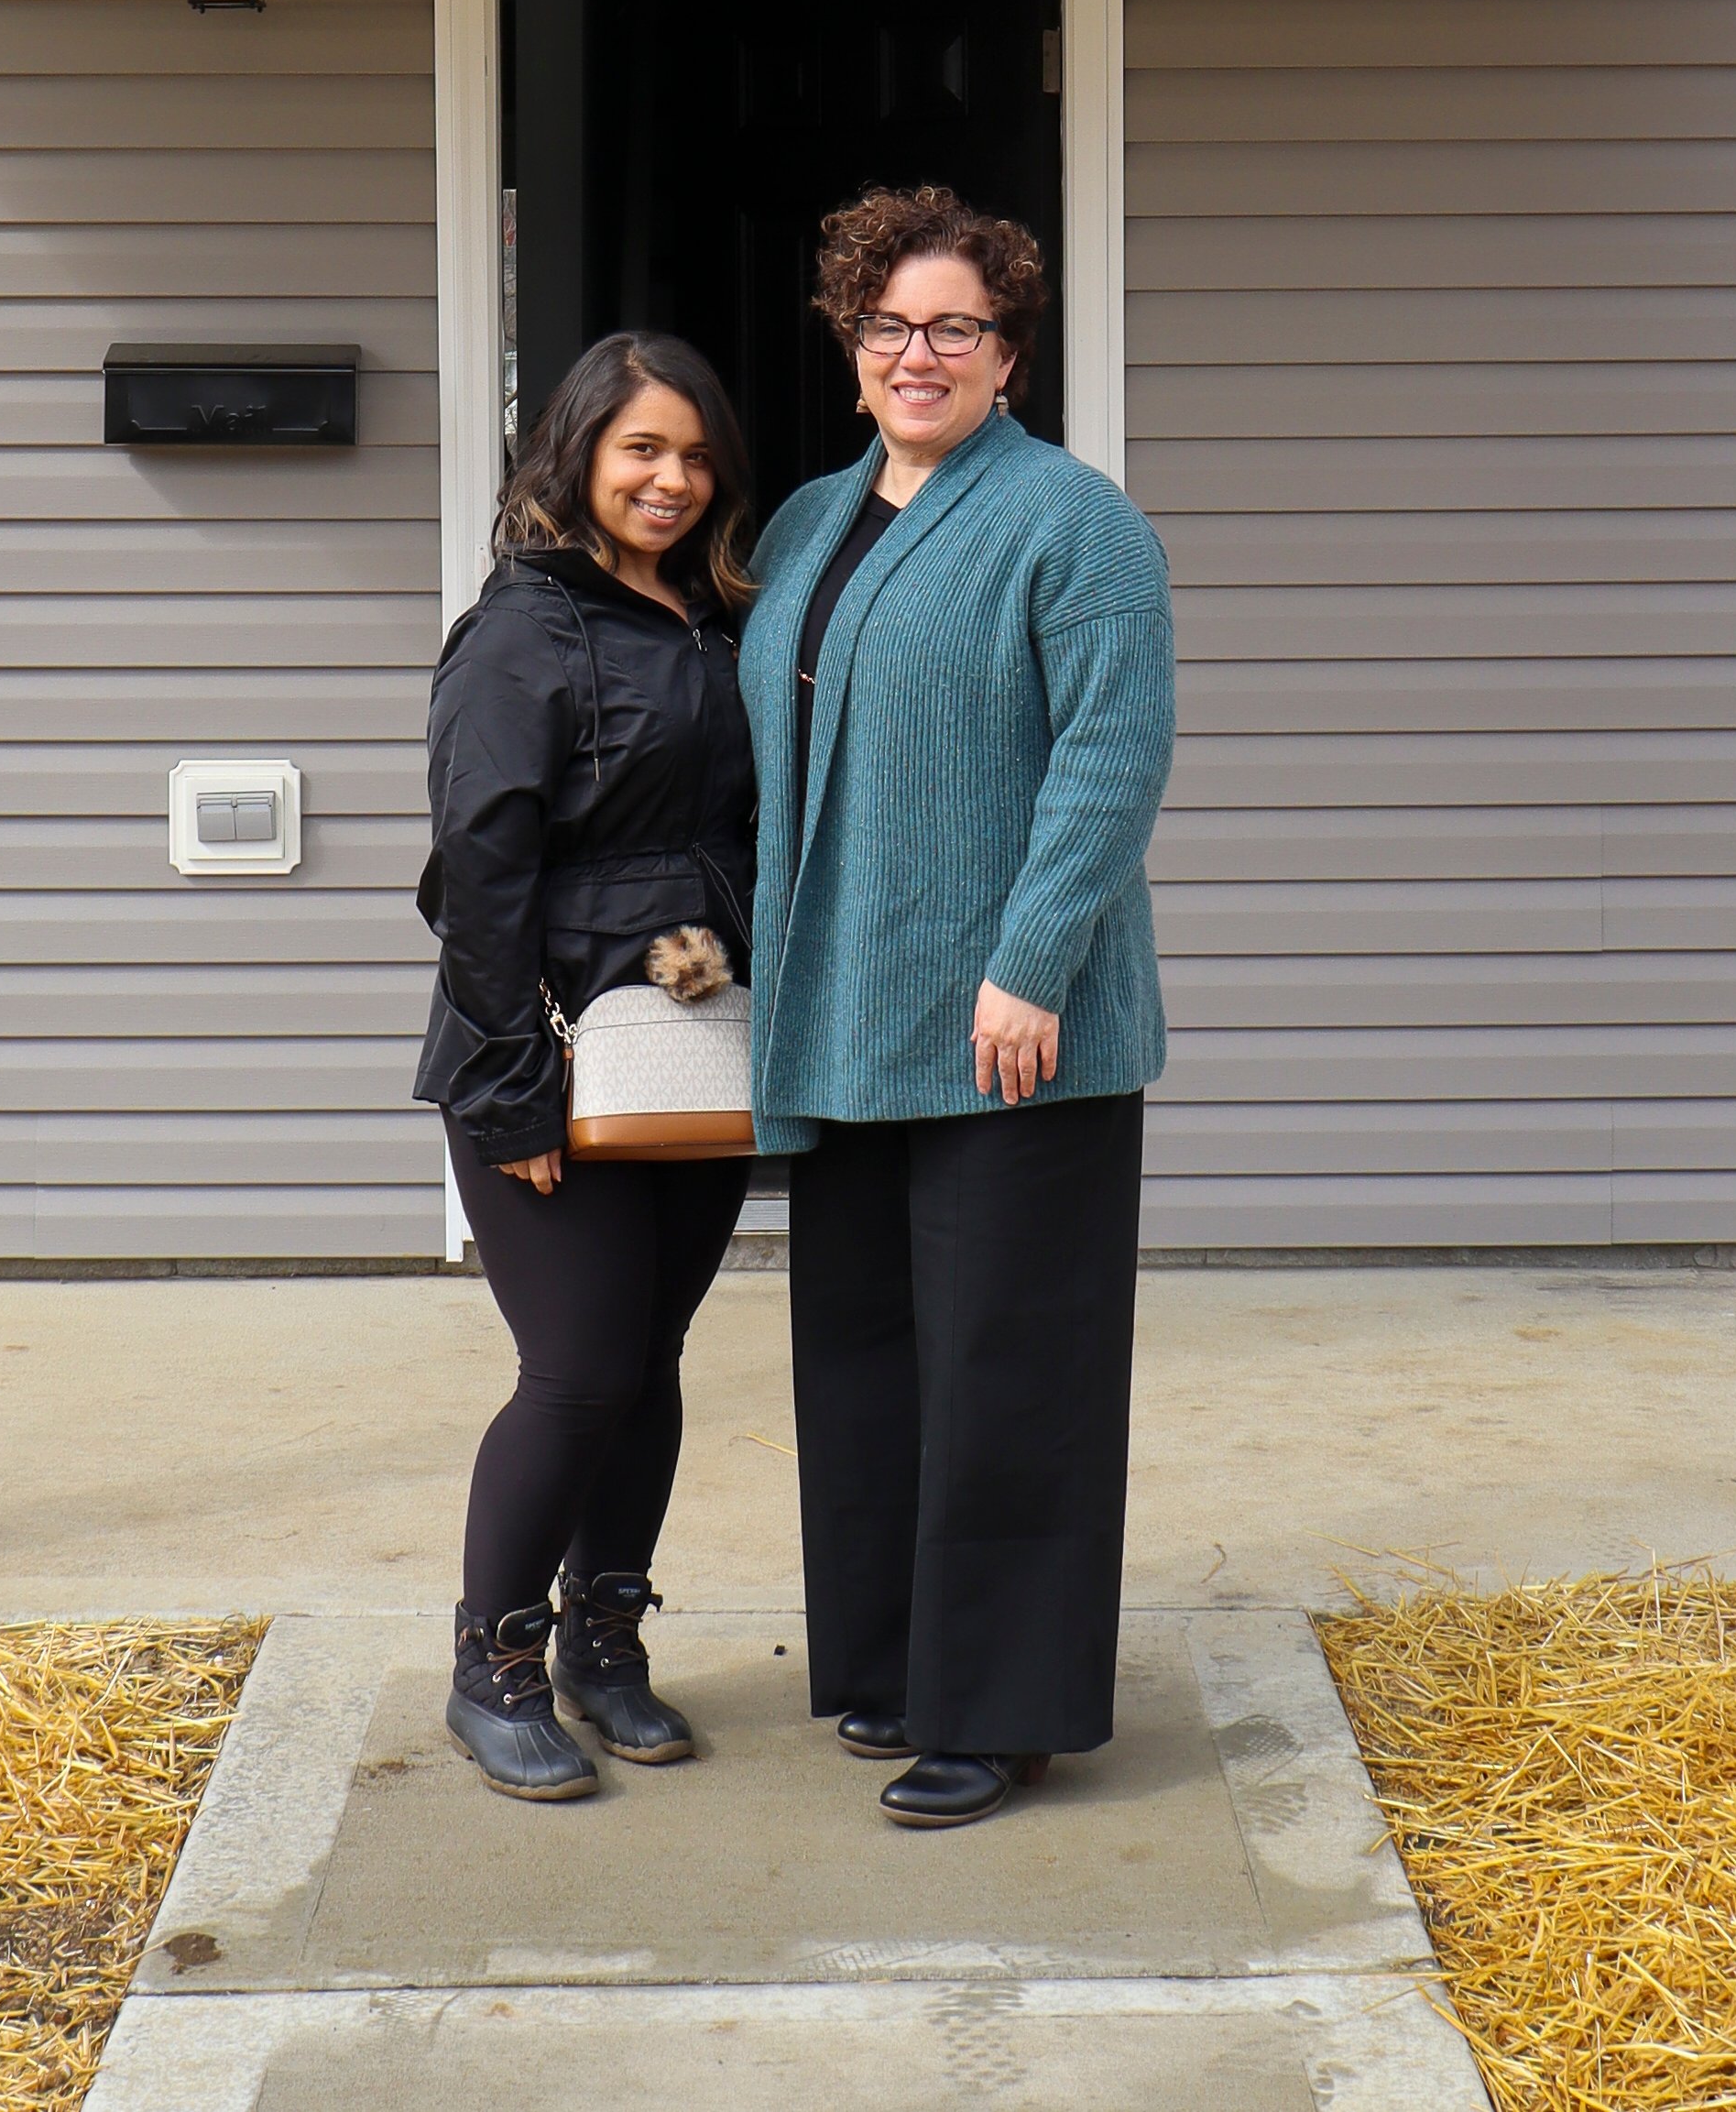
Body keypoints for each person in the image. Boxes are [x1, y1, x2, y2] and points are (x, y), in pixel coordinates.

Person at [739, 186, 1177, 1831]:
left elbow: (1111, 757)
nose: (919, 354)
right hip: (848, 1012)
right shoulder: (803, 523)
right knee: (863, 1362)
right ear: (852, 347)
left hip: (1015, 1031)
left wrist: (1034, 957)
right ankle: (891, 1664)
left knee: (1011, 1373)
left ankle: (1000, 1714)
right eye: (889, 325)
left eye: (956, 327)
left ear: (1009, 351)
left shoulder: (1077, 524)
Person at [415, 332, 762, 1802]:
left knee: (654, 1361)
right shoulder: (522, 633)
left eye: (693, 456)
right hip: (554, 1053)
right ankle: (490, 1662)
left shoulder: (708, 619)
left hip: (696, 1044)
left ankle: (602, 1642)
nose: (672, 480)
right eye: (642, 451)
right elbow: (479, 874)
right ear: (578, 455)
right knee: (576, 1370)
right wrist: (508, 1090)